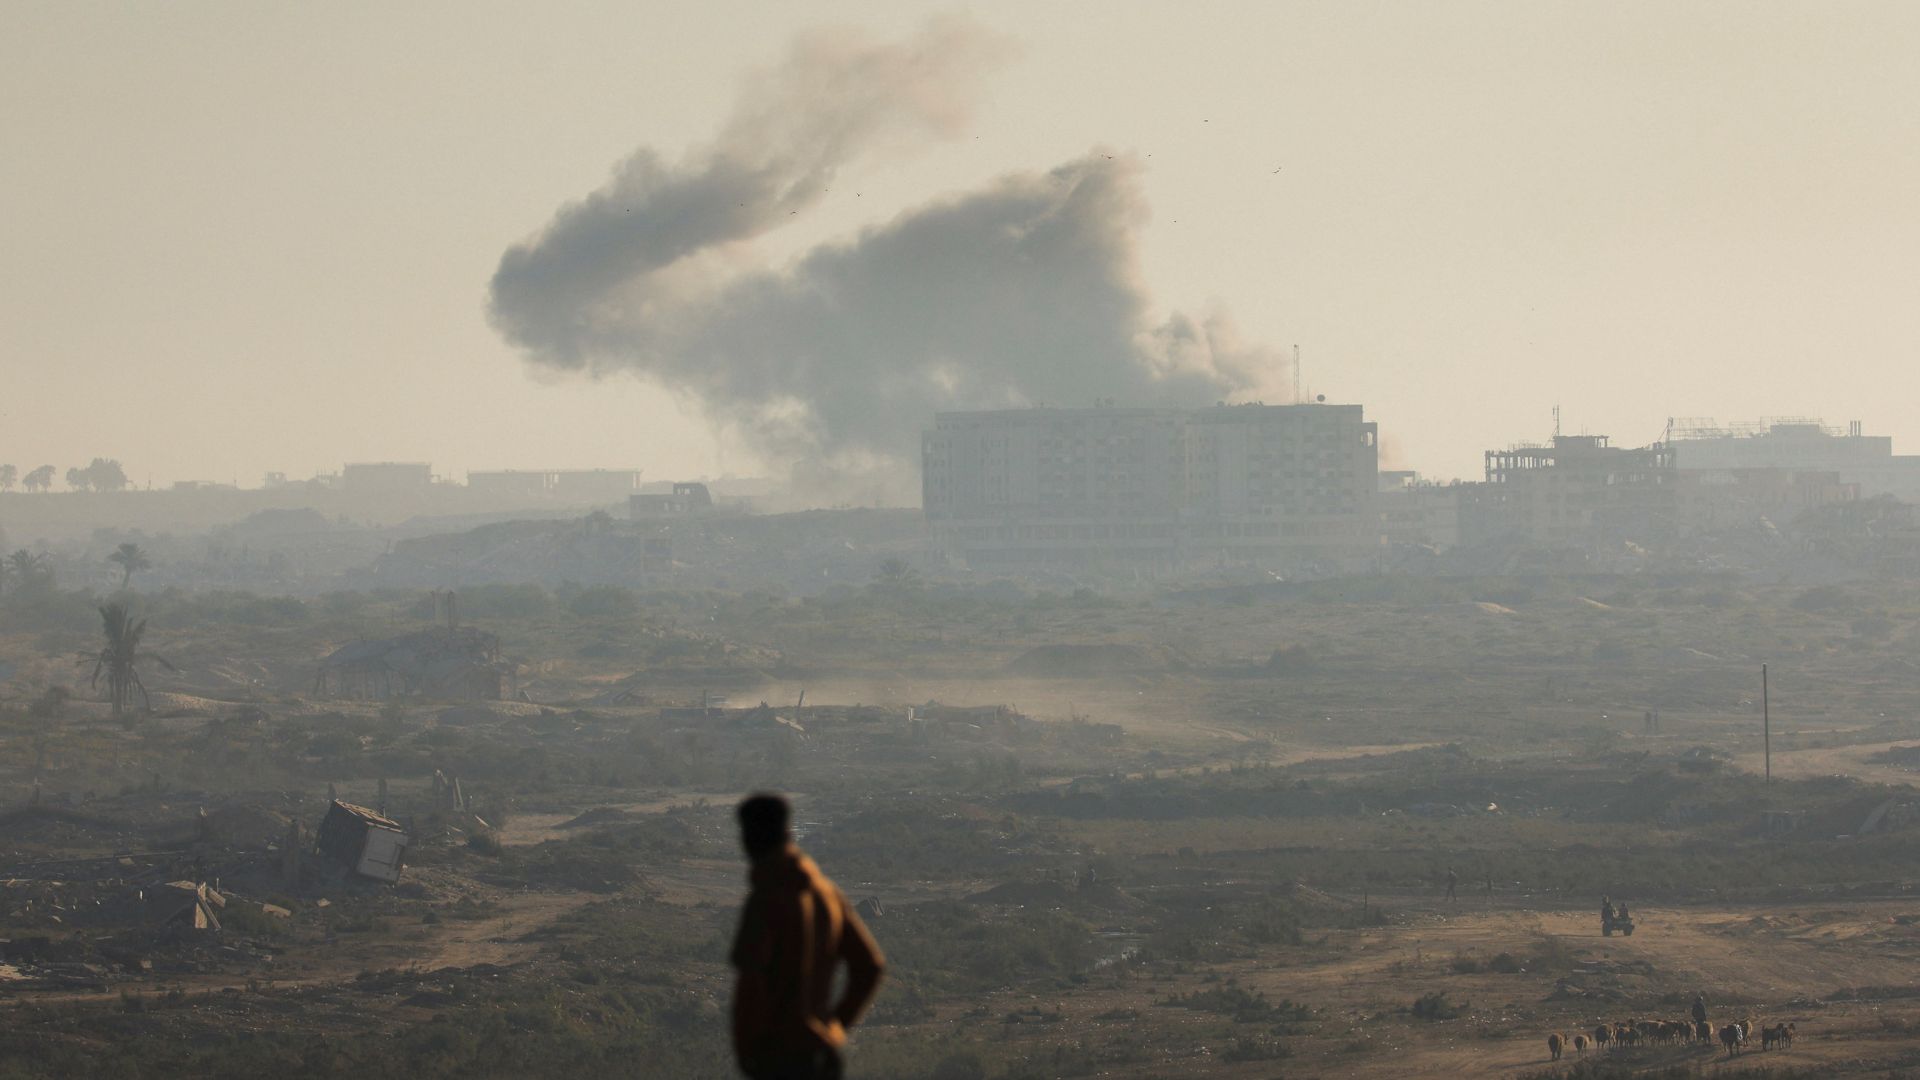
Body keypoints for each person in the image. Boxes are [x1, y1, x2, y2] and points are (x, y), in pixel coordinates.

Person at [730, 793, 886, 1080]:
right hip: (819, 1057)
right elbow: (870, 966)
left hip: (778, 1059)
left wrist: (747, 1054)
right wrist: (833, 1027)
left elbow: (749, 989)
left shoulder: (766, 899)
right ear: (787, 833)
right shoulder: (826, 893)